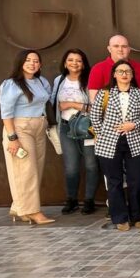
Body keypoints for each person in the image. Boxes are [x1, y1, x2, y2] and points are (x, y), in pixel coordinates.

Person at [90, 59, 140, 231]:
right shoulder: (104, 94)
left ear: (132, 75)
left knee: (136, 180)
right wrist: (103, 134)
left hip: (136, 141)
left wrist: (134, 125)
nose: (124, 74)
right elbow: (94, 117)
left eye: (128, 71)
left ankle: (137, 215)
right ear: (114, 74)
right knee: (114, 181)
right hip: (109, 143)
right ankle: (120, 217)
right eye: (120, 71)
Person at [0, 49, 54, 225]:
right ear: (21, 63)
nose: (33, 63)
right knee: (25, 170)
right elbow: (6, 113)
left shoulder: (41, 81)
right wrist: (12, 138)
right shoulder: (11, 84)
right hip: (20, 128)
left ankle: (19, 207)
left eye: (36, 61)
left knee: (36, 168)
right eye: (29, 60)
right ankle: (33, 211)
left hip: (39, 126)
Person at [52, 48, 97, 215]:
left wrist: (72, 105)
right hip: (65, 127)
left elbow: (96, 107)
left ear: (84, 64)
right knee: (71, 167)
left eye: (78, 60)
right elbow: (52, 103)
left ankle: (89, 200)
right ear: (65, 63)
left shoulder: (89, 80)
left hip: (87, 127)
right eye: (70, 60)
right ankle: (71, 199)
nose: (74, 63)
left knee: (91, 165)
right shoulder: (59, 81)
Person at [87, 34, 140, 100]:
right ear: (109, 49)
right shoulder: (98, 69)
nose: (120, 49)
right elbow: (94, 99)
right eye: (116, 46)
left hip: (137, 108)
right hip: (109, 109)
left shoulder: (139, 67)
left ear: (129, 49)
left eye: (124, 46)